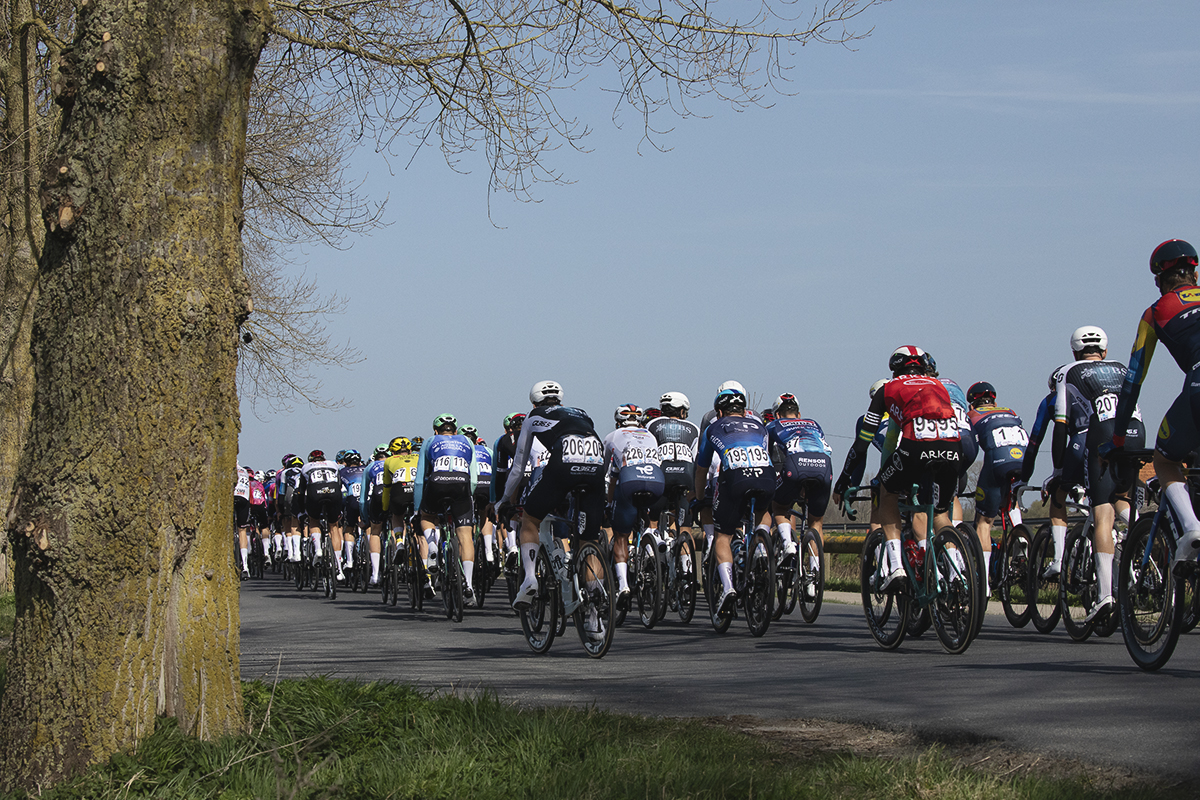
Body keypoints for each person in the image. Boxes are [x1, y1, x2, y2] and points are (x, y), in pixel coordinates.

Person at [833, 346, 962, 589]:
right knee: (941, 514)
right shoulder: (939, 385)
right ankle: (956, 573)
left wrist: (843, 480)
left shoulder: (887, 389)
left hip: (916, 447)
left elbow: (862, 445)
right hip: (953, 449)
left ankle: (896, 568)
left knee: (887, 491)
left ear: (894, 368)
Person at [1110, 239, 1200, 572]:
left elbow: (1133, 380)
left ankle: (1192, 529)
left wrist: (1118, 439)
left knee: (1164, 458)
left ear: (1160, 279)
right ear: (1193, 272)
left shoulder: (1155, 311)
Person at [494, 380, 606, 617]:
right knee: (588, 540)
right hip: (596, 468)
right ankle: (595, 611)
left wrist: (504, 499)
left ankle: (530, 581)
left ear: (534, 403)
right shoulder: (581, 413)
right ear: (561, 401)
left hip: (563, 467)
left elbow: (518, 467)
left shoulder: (533, 417)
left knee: (530, 519)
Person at [1056, 325, 1145, 620]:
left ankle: (1105, 594)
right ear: (1104, 351)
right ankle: (1142, 544)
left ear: (1074, 352)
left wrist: (1058, 470)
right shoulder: (1119, 367)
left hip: (1104, 432)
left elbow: (1060, 424)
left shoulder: (1069, 371)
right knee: (1124, 501)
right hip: (1136, 430)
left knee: (1102, 515)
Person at [694, 386, 776, 612]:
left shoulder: (713, 427)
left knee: (723, 534)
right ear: (744, 410)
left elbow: (701, 469)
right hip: (766, 475)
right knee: (763, 512)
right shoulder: (760, 426)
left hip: (734, 476)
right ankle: (760, 546)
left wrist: (700, 498)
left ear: (719, 412)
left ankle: (728, 586)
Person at [765, 393, 833, 588]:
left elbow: (767, 456)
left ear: (777, 415)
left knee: (780, 507)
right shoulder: (814, 423)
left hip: (795, 466)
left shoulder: (773, 425)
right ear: (799, 413)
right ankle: (813, 578)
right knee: (816, 522)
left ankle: (788, 544)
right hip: (823, 467)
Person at [966, 382, 1028, 593]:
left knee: (984, 521)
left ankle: (983, 585)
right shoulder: (1010, 412)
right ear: (994, 401)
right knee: (1011, 500)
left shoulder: (972, 415)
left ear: (972, 403)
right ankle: (1020, 538)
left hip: (997, 461)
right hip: (1023, 459)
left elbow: (969, 448)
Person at [603, 403, 665, 604]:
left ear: (618, 421)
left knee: (621, 535)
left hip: (629, 482)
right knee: (648, 521)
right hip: (657, 481)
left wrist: (608, 502)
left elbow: (607, 471)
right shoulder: (650, 435)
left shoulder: (613, 436)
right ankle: (651, 544)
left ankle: (622, 586)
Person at [414, 414, 479, 606]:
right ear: (456, 431)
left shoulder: (430, 441)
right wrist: (468, 497)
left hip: (437, 483)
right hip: (462, 485)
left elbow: (419, 479)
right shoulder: (467, 441)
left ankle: (432, 545)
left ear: (436, 431)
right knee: (465, 536)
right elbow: (474, 478)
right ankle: (468, 584)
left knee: (427, 516)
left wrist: (418, 509)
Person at [298, 449, 346, 580]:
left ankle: (318, 549)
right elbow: (340, 485)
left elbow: (301, 492)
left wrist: (301, 511)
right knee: (334, 527)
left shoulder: (305, 467)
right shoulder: (333, 465)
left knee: (313, 519)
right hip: (334, 492)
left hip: (315, 492)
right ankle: (339, 568)